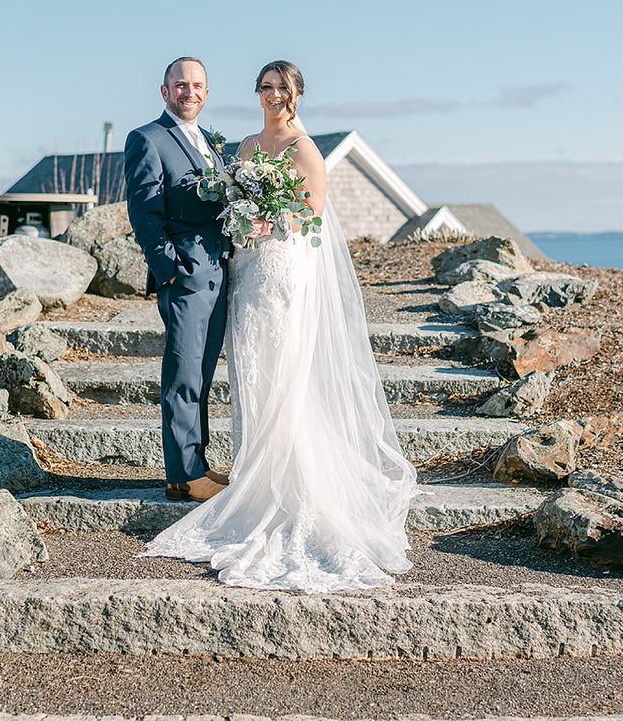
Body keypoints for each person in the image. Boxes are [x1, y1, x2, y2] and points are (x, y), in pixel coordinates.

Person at [143, 61, 418, 592]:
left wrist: (272, 220)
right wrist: (244, 219)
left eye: (281, 88)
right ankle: (254, 471)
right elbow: (226, 200)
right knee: (251, 367)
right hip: (247, 269)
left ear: (295, 95)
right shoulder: (243, 147)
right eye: (265, 87)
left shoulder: (303, 148)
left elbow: (313, 211)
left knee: (283, 363)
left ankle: (288, 477)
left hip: (283, 266)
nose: (272, 95)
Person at [124, 56, 229, 503]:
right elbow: (144, 213)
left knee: (202, 374)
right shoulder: (147, 139)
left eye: (197, 85)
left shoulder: (210, 142)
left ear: (206, 92)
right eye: (180, 85)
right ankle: (183, 474)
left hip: (219, 274)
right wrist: (171, 271)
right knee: (183, 373)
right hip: (185, 276)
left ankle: (194, 466)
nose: (190, 92)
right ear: (164, 92)